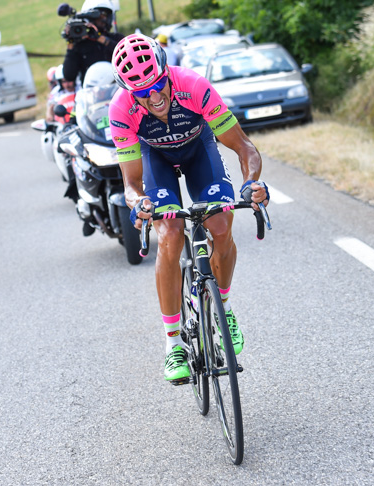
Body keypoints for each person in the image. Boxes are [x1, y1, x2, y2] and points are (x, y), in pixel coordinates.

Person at [108, 34, 269, 382]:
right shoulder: (121, 110)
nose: (154, 98)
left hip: (199, 150)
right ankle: (173, 342)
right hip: (156, 159)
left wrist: (251, 183)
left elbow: (244, 148)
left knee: (222, 227)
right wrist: (140, 204)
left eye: (159, 86)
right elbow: (132, 185)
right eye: (143, 93)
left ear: (167, 72)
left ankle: (222, 307)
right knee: (170, 236)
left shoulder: (193, 85)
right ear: (129, 93)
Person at [61, 0, 124, 86]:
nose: (103, 19)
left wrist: (100, 38)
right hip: (91, 95)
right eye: (99, 16)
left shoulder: (116, 38)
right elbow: (69, 75)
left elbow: (126, 55)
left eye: (105, 15)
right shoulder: (79, 45)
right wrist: (70, 43)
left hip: (117, 89)